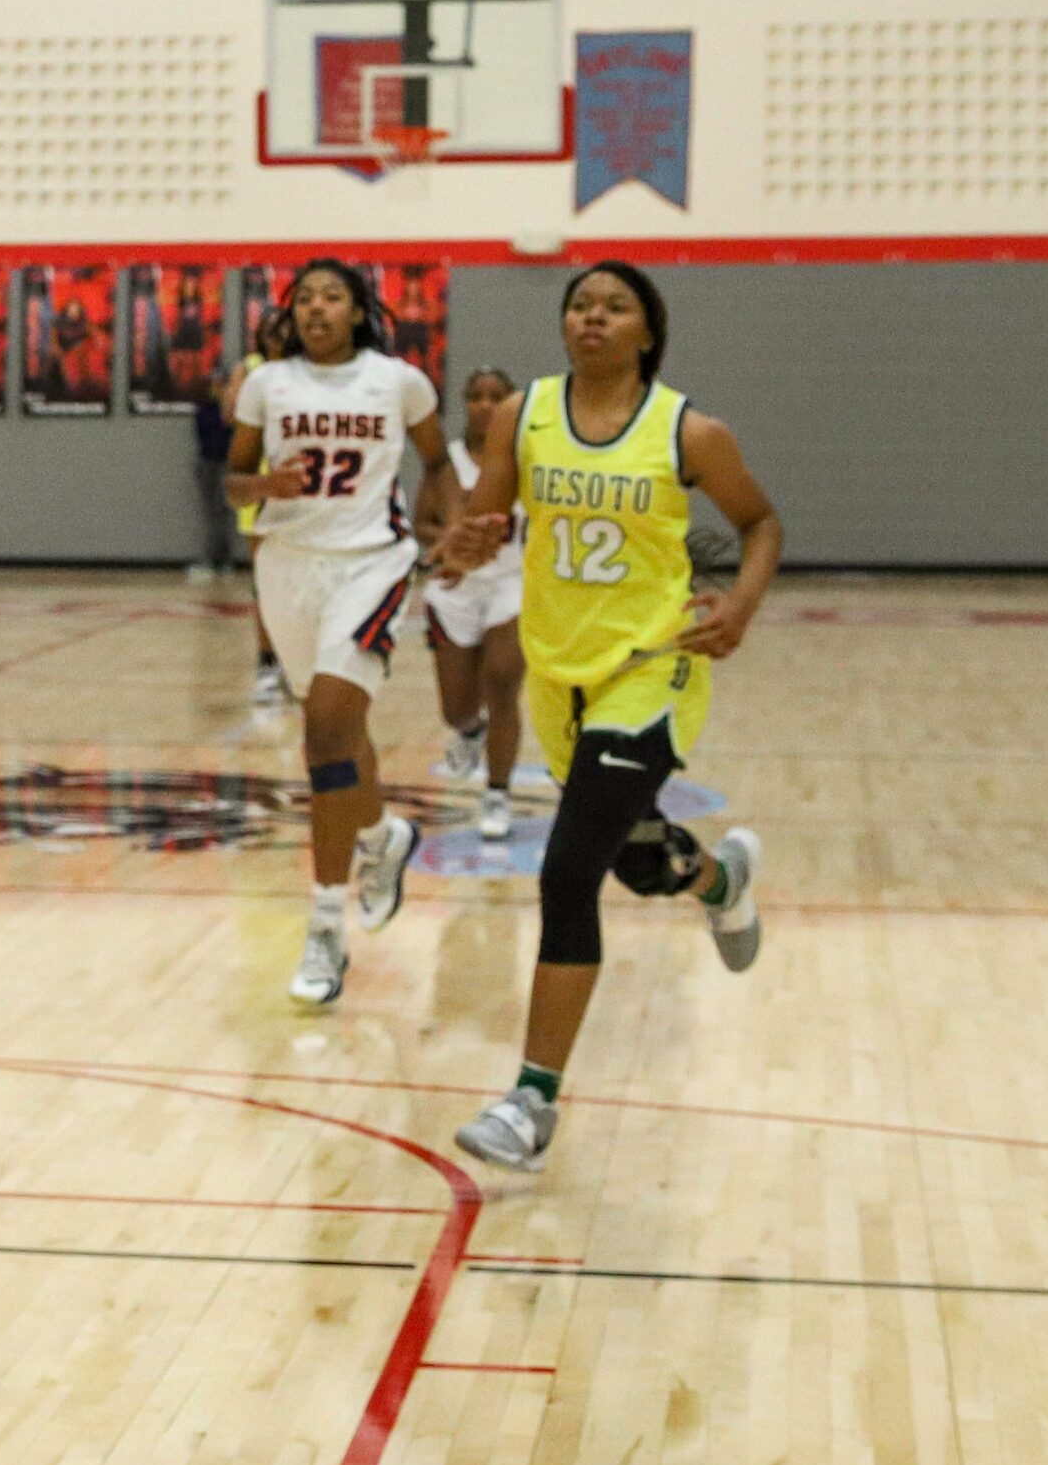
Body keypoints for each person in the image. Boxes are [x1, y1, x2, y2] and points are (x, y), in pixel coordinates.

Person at [438, 263, 779, 1171]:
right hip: (560, 675)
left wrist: (736, 610)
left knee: (565, 874)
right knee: (633, 858)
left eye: (613, 307)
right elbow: (487, 514)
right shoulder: (524, 414)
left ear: (645, 333)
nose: (592, 318)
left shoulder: (688, 431)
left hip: (650, 670)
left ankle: (530, 1103)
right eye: (579, 305)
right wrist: (467, 539)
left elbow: (758, 524)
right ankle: (717, 880)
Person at [226, 259, 456, 1005]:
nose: (316, 308)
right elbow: (231, 481)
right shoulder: (266, 383)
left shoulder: (397, 381)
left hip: (369, 562)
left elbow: (436, 461)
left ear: (359, 311)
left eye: (332, 297)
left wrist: (437, 530)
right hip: (288, 567)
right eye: (304, 299)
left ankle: (325, 927)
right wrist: (266, 487)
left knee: (325, 725)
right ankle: (380, 835)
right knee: (337, 728)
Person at [415, 367, 528, 840]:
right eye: (477, 396)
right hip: (456, 588)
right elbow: (421, 524)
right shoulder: (448, 464)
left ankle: (497, 792)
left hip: (511, 583)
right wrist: (448, 542)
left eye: (495, 397)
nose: (485, 405)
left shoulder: (529, 463)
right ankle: (468, 731)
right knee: (457, 708)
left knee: (503, 684)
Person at [224, 307, 298, 707]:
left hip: (300, 484)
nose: (277, 337)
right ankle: (268, 663)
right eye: (270, 331)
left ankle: (298, 660)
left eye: (284, 330)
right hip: (259, 482)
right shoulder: (250, 369)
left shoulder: (307, 372)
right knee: (265, 583)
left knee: (301, 579)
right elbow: (229, 415)